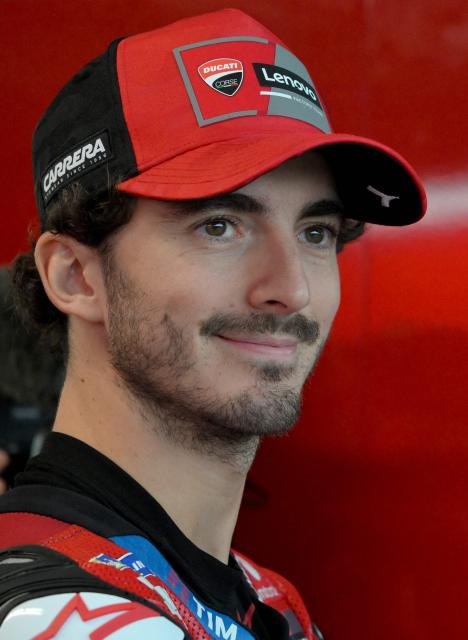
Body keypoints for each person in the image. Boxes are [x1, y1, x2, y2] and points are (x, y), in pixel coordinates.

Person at [0, 8, 426, 639]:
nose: (292, 288)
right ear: (75, 276)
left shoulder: (268, 600)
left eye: (316, 232)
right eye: (219, 226)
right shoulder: (52, 614)